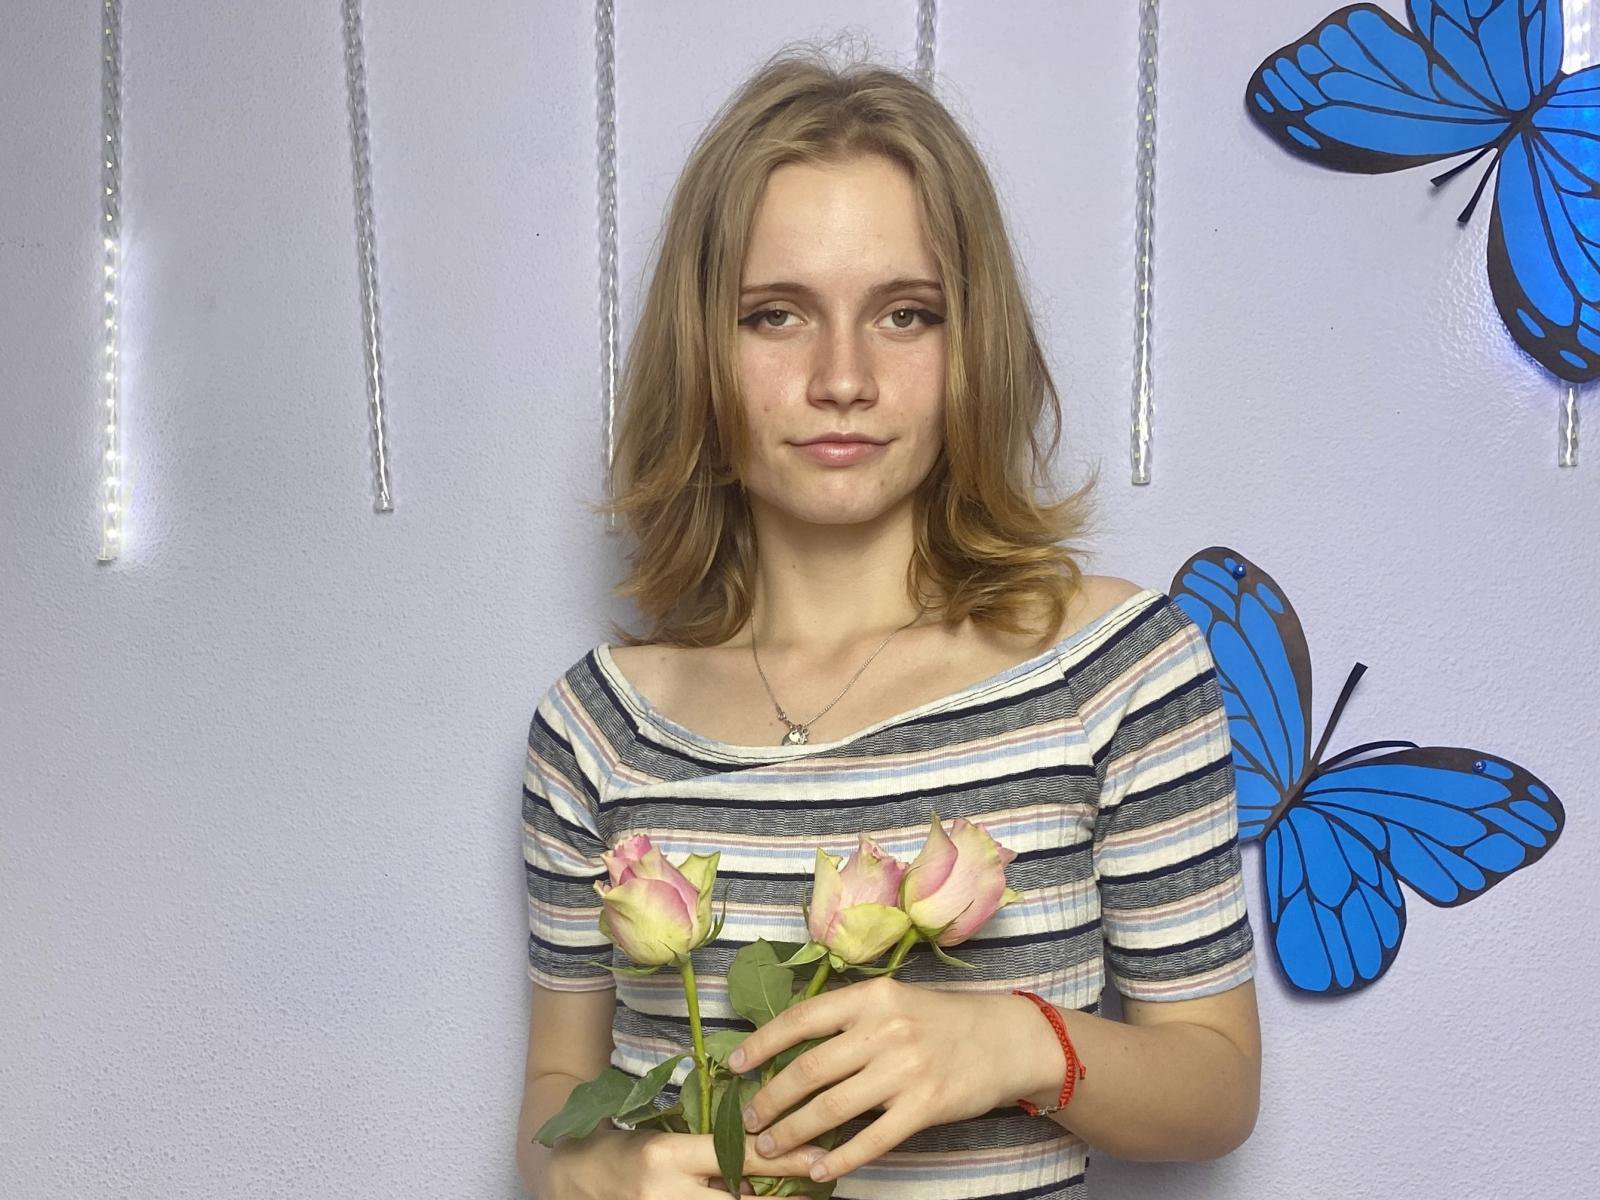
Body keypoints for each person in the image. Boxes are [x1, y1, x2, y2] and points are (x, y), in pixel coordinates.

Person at [518, 45, 1260, 1200]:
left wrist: (1016, 1042)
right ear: (702, 348)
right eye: (775, 315)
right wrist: (593, 1177)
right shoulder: (594, 728)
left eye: (905, 314)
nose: (842, 377)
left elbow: (1214, 1090)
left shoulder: (1115, 669)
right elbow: (553, 1094)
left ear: (973, 343)